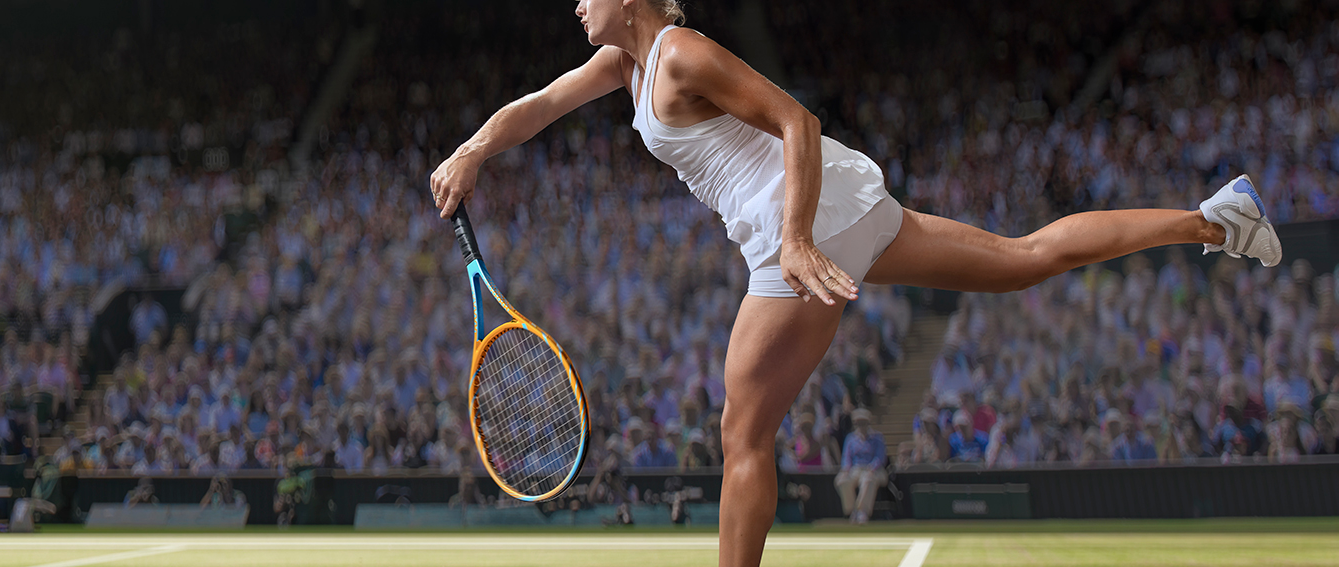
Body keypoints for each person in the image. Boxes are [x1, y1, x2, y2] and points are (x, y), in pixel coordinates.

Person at [428, 2, 1281, 562]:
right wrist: (472, 151)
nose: (576, 6)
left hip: (801, 221)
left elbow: (796, 120)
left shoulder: (680, 53)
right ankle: (1215, 220)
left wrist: (796, 240)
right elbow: (539, 105)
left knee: (742, 433)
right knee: (1021, 258)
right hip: (847, 206)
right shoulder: (631, 63)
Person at [834, 409, 887, 524]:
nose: (861, 426)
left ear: (868, 423)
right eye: (858, 423)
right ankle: (852, 511)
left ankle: (862, 511)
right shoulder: (850, 438)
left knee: (867, 479)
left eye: (863, 423)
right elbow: (846, 457)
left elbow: (880, 457)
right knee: (842, 480)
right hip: (856, 469)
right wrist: (846, 470)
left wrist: (871, 468)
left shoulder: (878, 438)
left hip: (874, 469)